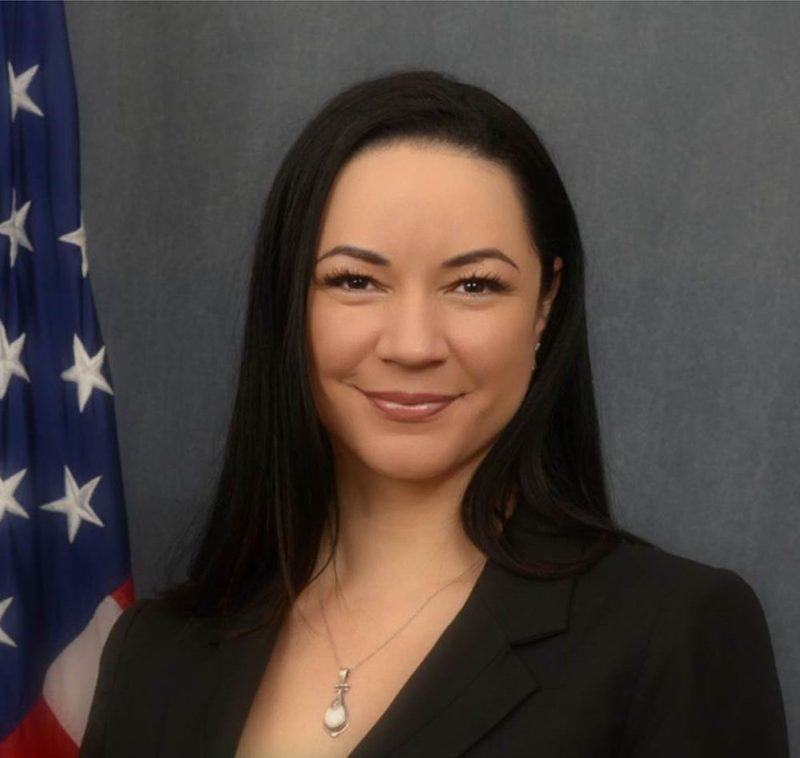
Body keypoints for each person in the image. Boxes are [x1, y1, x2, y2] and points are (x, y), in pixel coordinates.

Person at [79, 69, 790, 758]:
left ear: (545, 303)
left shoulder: (674, 630)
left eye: (474, 285)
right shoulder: (155, 651)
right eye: (355, 281)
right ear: (289, 301)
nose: (413, 345)